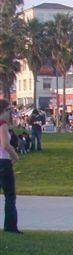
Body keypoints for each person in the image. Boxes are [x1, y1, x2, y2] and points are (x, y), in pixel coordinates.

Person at [0, 99, 22, 234]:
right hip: (3, 162)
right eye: (9, 110)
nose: (10, 114)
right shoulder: (2, 124)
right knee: (10, 196)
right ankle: (10, 226)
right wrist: (15, 156)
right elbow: (5, 145)